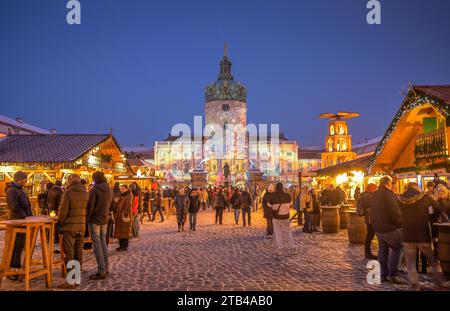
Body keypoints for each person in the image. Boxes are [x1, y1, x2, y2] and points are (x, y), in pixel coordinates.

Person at [398, 182, 448, 290]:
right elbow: (438, 209)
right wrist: (430, 215)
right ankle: (438, 282)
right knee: (432, 261)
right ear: (417, 188)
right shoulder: (425, 197)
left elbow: (396, 215)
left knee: (411, 263)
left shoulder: (400, 199)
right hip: (422, 234)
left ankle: (414, 284)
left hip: (407, 235)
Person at [56, 174, 88, 289]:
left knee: (69, 254)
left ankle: (70, 281)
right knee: (78, 253)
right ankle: (77, 279)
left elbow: (63, 212)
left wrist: (59, 224)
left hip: (70, 227)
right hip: (81, 227)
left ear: (69, 181)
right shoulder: (85, 192)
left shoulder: (68, 193)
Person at [371, 176, 404, 284]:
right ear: (387, 183)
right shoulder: (389, 195)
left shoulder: (375, 194)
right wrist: (399, 224)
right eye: (391, 183)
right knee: (397, 247)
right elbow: (394, 212)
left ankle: (383, 274)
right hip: (389, 228)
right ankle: (392, 274)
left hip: (378, 227)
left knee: (383, 250)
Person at [5, 171, 33, 281]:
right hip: (17, 221)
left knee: (20, 246)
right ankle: (11, 270)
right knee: (14, 246)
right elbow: (14, 207)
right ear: (20, 179)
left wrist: (29, 216)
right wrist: (25, 216)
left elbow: (26, 205)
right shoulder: (12, 190)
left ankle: (17, 267)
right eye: (25, 179)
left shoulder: (20, 189)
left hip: (23, 221)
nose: (27, 181)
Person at [86, 171, 112, 280]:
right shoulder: (109, 190)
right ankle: (106, 268)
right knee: (103, 243)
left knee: (97, 246)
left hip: (95, 220)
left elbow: (90, 207)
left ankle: (101, 271)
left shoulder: (94, 190)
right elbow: (112, 205)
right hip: (104, 219)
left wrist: (87, 219)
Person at [268, 183, 296, 251]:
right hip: (286, 216)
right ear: (282, 187)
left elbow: (269, 205)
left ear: (276, 188)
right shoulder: (287, 195)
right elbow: (291, 204)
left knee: (278, 233)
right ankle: (292, 246)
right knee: (288, 232)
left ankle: (280, 247)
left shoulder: (272, 196)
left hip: (276, 217)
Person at [357, 183, 378, 260]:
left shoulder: (365, 195)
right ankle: (367, 253)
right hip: (370, 219)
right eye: (375, 188)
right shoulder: (368, 196)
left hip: (369, 218)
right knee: (369, 236)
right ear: (372, 189)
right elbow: (371, 206)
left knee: (370, 235)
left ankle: (367, 253)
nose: (376, 190)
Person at [114, 184, 132, 251]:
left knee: (125, 231)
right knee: (120, 232)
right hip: (119, 215)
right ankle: (121, 246)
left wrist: (125, 213)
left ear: (127, 189)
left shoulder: (128, 195)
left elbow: (128, 205)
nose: (122, 190)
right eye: (121, 188)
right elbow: (120, 204)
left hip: (124, 216)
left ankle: (124, 246)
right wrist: (117, 202)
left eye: (123, 188)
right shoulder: (122, 195)